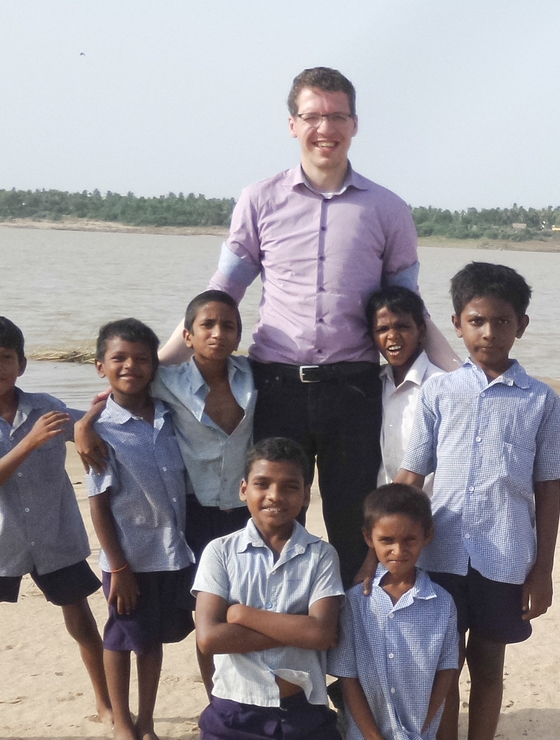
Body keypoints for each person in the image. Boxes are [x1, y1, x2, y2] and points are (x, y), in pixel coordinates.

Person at [160, 66, 460, 584]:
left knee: (354, 521)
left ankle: (350, 647)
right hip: (275, 386)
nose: (326, 127)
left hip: (355, 390)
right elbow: (222, 291)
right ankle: (283, 642)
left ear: (355, 124)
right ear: (292, 124)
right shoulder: (259, 199)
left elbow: (409, 307)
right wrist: (152, 370)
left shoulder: (387, 209)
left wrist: (463, 375)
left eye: (337, 116)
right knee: (277, 520)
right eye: (313, 116)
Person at [394, 263, 560, 740]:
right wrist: (380, 548)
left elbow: (548, 490)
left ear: (521, 327)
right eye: (477, 321)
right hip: (443, 553)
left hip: (506, 555)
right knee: (445, 665)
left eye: (502, 321)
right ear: (457, 324)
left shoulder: (542, 402)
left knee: (489, 666)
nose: (489, 332)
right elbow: (412, 475)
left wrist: (543, 569)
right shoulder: (440, 392)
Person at [0, 315, 110, 740]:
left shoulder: (46, 407)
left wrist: (95, 417)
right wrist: (28, 442)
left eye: (6, 357)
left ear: (22, 365)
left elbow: (95, 425)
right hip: (1, 542)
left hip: (56, 537)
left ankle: (104, 704)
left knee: (82, 622)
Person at [77, 290, 255, 696]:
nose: (217, 333)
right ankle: (216, 701)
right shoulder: (166, 381)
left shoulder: (254, 377)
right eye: (206, 325)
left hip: (245, 513)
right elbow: (120, 389)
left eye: (228, 326)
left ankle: (238, 697)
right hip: (194, 514)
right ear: (188, 336)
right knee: (206, 612)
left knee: (241, 612)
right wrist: (84, 423)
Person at [85, 318, 196, 740]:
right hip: (128, 558)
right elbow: (98, 506)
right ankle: (123, 725)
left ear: (154, 366)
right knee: (119, 637)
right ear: (100, 366)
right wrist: (117, 566)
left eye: (141, 359)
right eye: (119, 358)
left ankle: (147, 722)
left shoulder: (170, 415)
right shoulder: (99, 431)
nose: (130, 366)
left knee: (151, 642)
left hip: (173, 553)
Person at [192, 437, 344, 740]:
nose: (275, 495)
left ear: (305, 496)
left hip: (303, 711)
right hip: (234, 710)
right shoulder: (219, 551)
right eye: (262, 484)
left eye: (289, 486)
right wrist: (296, 631)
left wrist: (241, 614)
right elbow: (209, 638)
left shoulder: (321, 554)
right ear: (243, 489)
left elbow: (322, 634)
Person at [329, 484, 459, 740]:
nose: (398, 551)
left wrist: (420, 729)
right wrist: (373, 736)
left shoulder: (442, 604)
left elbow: (446, 672)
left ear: (427, 535)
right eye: (386, 540)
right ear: (369, 538)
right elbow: (348, 677)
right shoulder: (356, 602)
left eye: (409, 539)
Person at [366, 285, 444, 495]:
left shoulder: (440, 387)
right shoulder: (377, 384)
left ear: (421, 330)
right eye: (382, 330)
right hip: (388, 506)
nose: (392, 336)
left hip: (432, 507)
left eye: (402, 327)